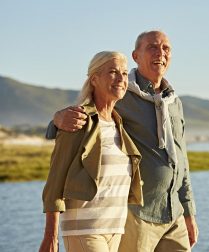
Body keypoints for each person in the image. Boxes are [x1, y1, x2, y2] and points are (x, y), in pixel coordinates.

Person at [46, 30, 198, 252]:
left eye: (166, 48)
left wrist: (188, 210)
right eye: (153, 47)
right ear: (136, 55)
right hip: (136, 215)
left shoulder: (174, 102)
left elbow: (181, 159)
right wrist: (57, 120)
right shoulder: (119, 92)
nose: (161, 53)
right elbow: (83, 118)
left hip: (173, 212)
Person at [40, 51, 143, 252]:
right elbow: (55, 181)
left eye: (124, 72)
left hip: (115, 230)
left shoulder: (117, 123)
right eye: (113, 72)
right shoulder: (78, 120)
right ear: (94, 79)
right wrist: (50, 236)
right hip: (85, 230)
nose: (121, 78)